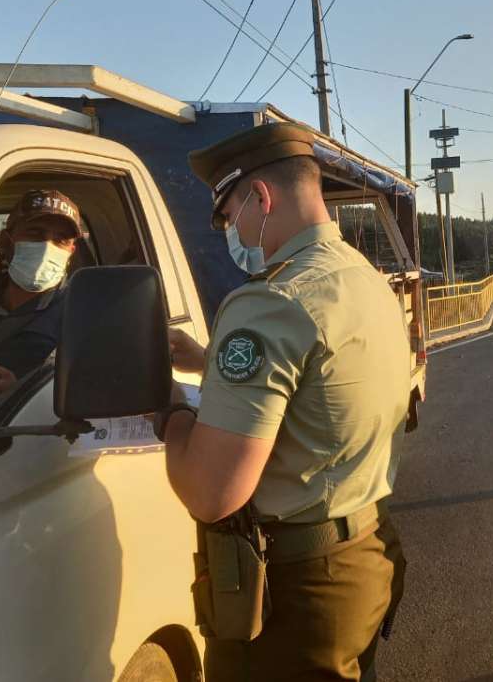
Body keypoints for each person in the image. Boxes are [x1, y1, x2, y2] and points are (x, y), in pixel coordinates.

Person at [154, 122, 411, 682]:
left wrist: (168, 408)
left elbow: (213, 493)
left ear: (261, 197)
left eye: (227, 215)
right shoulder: (360, 277)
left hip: (295, 588)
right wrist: (209, 362)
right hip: (363, 554)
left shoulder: (271, 302)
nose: (230, 230)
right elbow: (321, 380)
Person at [0, 189, 81, 401]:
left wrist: (16, 395)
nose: (46, 248)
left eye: (60, 240)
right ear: (6, 241)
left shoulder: (82, 316)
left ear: (70, 251)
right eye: (35, 234)